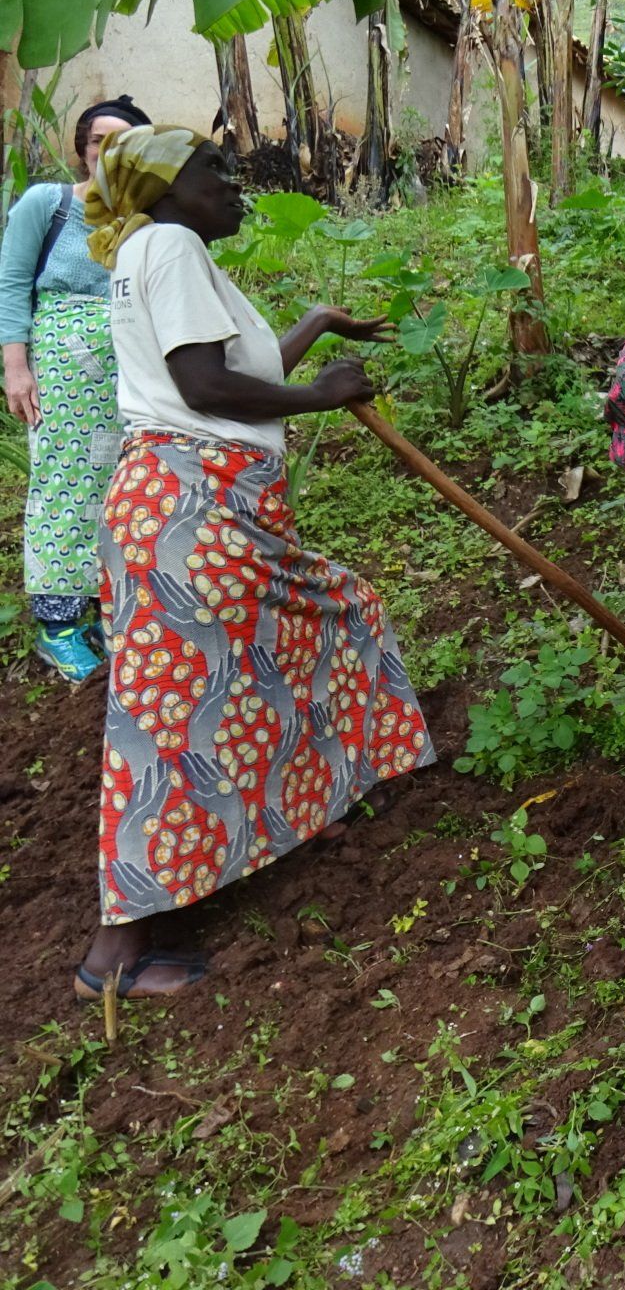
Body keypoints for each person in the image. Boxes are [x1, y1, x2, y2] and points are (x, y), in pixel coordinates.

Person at [76, 126, 434, 1000]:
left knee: (304, 636)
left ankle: (307, 807)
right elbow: (203, 388)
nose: (235, 182)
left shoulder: (157, 251)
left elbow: (228, 372)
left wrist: (317, 325)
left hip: (186, 508)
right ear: (166, 187)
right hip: (192, 511)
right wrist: (320, 396)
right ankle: (114, 956)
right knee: (168, 721)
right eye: (215, 169)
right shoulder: (170, 246)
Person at [0, 95, 151, 681]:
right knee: (65, 483)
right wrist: (16, 367)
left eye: (124, 142)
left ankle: (106, 611)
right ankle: (58, 625)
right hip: (65, 365)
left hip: (130, 365)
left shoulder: (147, 218)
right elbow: (13, 282)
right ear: (83, 150)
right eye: (98, 141)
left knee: (123, 485)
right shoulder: (51, 204)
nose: (109, 152)